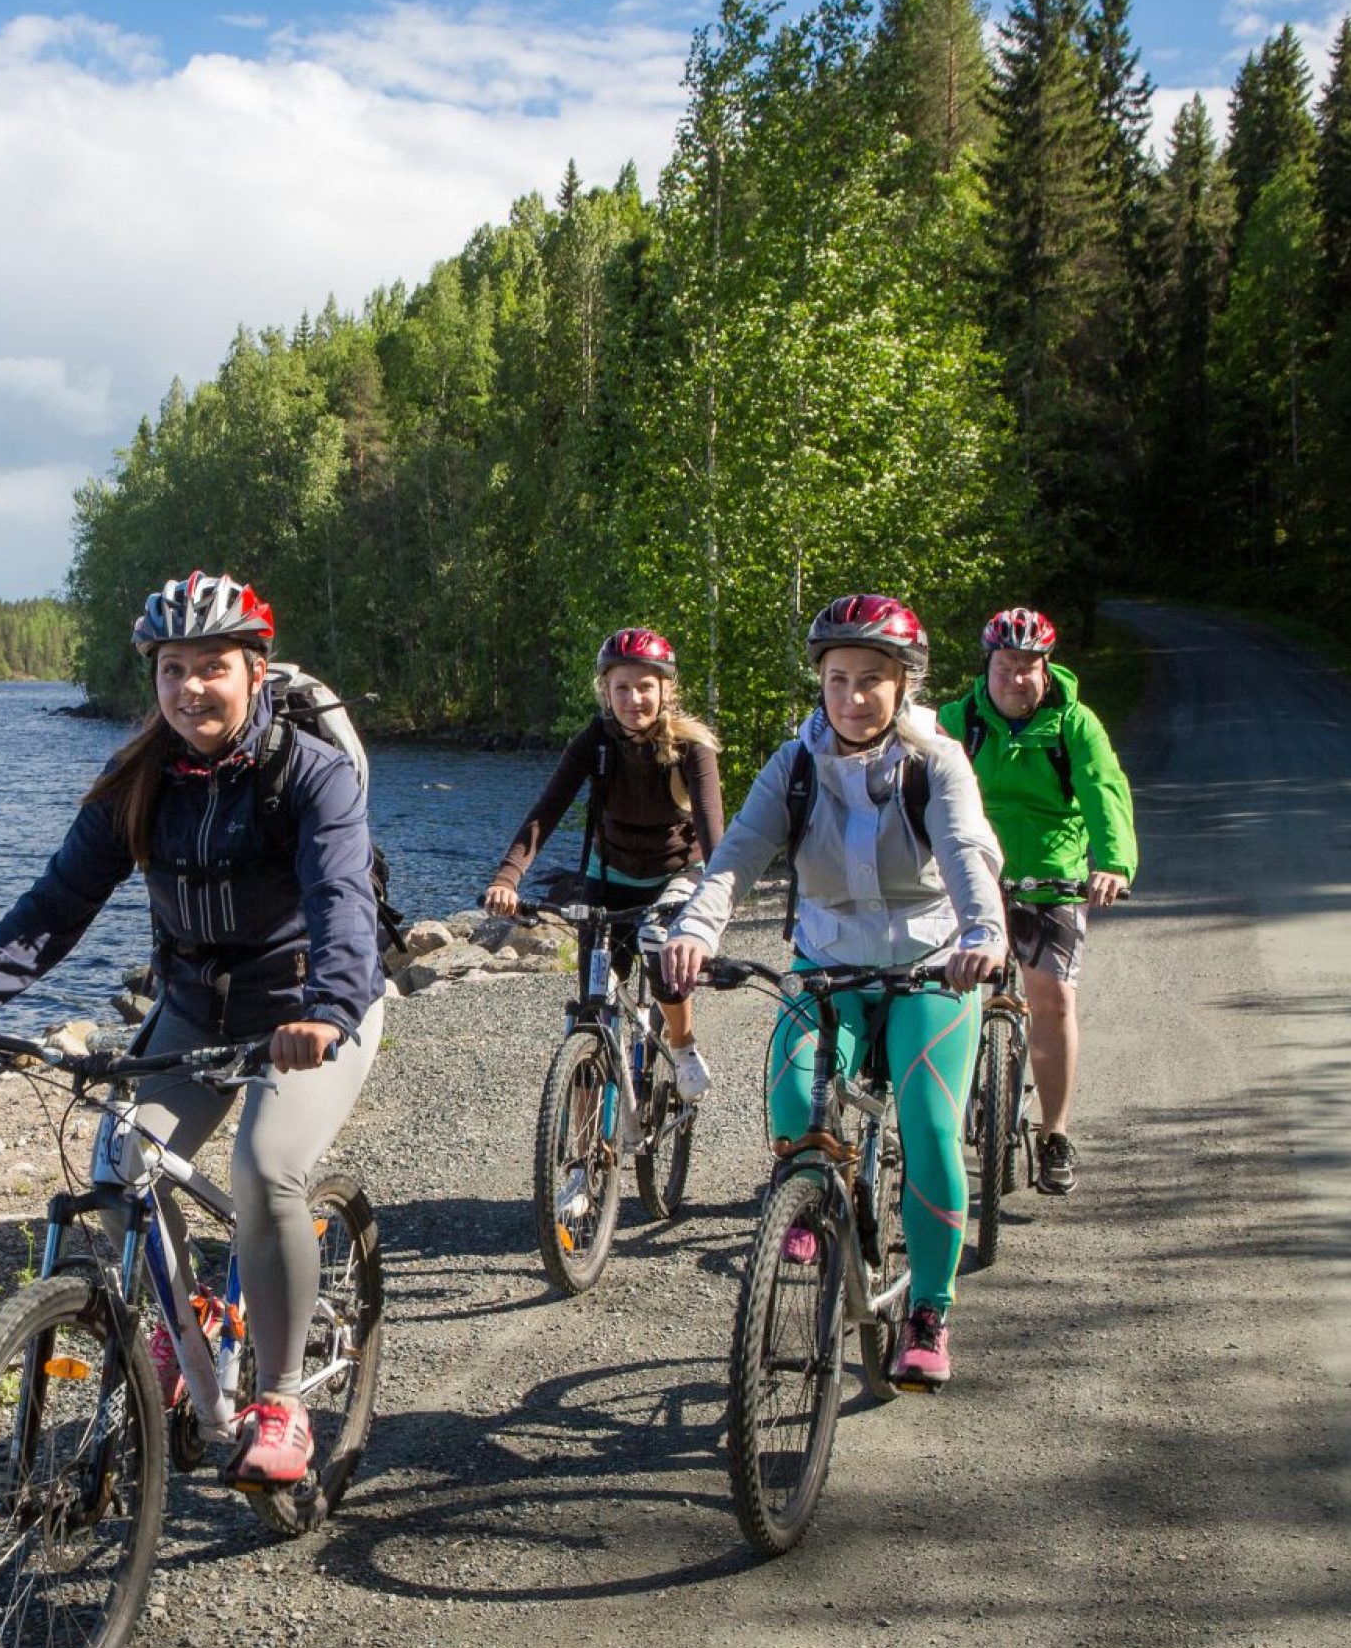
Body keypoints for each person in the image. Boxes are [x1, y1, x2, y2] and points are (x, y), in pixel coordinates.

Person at [0, 570, 387, 1486]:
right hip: (193, 1005)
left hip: (309, 1007)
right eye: (173, 669)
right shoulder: (141, 779)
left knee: (266, 1170)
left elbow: (341, 904)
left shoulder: (311, 774)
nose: (190, 688)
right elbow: (61, 898)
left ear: (254, 671)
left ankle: (283, 1399)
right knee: (120, 1164)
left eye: (212, 666)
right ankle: (184, 1336)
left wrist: (326, 1011)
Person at [658, 595, 1005, 1388]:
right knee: (791, 1098)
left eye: (872, 681)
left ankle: (928, 1310)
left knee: (927, 1128)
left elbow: (962, 851)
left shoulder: (936, 763)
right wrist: (696, 932)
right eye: (838, 679)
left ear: (904, 685)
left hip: (933, 965)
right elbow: (738, 856)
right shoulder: (795, 765)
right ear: (820, 682)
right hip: (827, 967)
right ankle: (817, 1197)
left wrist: (984, 936)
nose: (852, 697)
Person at [934, 607, 1137, 1196]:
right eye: (1004, 666)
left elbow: (1104, 789)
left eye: (1027, 667)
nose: (1014, 679)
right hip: (972, 875)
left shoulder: (1075, 723)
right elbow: (918, 787)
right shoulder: (958, 721)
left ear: (1046, 670)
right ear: (987, 667)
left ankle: (1054, 1134)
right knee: (943, 998)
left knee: (1051, 1002)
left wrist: (1112, 864)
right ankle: (935, 1128)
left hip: (1053, 876)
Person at [481, 628, 729, 1098]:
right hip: (608, 873)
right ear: (606, 692)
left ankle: (681, 1045)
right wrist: (507, 878)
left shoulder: (692, 748)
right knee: (594, 1001)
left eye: (645, 687)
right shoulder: (594, 742)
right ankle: (584, 1145)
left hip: (676, 874)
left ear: (665, 690)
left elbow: (714, 835)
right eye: (622, 687)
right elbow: (546, 811)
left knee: (660, 945)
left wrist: (713, 916)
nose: (634, 698)